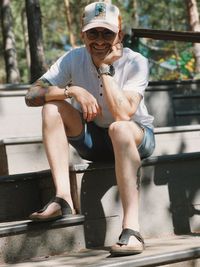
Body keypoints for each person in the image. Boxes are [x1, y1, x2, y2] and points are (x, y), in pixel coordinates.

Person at [25, 1, 155, 256]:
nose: (99, 40)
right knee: (52, 107)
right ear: (83, 33)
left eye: (107, 33)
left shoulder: (135, 61)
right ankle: (63, 197)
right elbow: (31, 94)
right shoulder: (74, 58)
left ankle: (132, 229)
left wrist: (106, 69)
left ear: (119, 34)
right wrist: (70, 90)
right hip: (95, 139)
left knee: (119, 127)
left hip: (136, 137)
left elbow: (123, 114)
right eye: (93, 33)